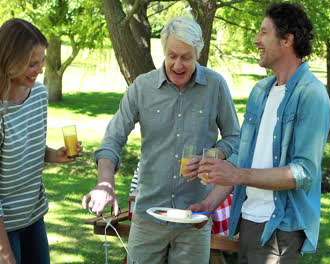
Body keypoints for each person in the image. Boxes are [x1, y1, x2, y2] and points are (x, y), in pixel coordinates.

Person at [81, 16, 240, 263]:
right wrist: (105, 183)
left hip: (194, 216)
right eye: (171, 55)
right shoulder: (142, 87)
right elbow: (112, 139)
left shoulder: (215, 85)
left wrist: (214, 156)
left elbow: (234, 138)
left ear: (198, 53)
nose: (177, 64)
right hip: (148, 216)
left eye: (186, 57)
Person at [193, 3, 330, 263]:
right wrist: (209, 205)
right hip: (248, 220)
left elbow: (303, 172)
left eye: (263, 32)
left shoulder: (311, 94)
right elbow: (242, 157)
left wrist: (237, 174)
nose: (256, 40)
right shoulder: (260, 92)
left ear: (286, 40)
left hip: (282, 229)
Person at [0, 18, 82, 264]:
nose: (39, 70)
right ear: (8, 60)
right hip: (5, 225)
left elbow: (25, 147)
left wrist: (52, 154)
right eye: (31, 64)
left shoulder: (38, 94)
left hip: (33, 215)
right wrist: (4, 253)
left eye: (42, 62)